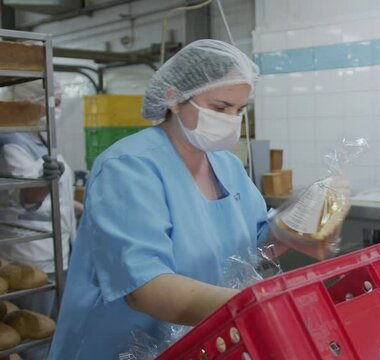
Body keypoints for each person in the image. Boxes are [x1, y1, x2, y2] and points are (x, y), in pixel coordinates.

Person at [47, 40, 284, 359]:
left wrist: (293, 230)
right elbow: (145, 290)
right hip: (119, 349)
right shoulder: (128, 167)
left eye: (239, 110)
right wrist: (250, 305)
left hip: (196, 344)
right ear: (174, 98)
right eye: (220, 107)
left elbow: (254, 246)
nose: (232, 119)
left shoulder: (226, 165)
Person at [0, 79, 80, 359]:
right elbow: (28, 198)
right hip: (30, 251)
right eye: (53, 104)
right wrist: (45, 180)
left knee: (56, 328)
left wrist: (82, 207)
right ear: (32, 102)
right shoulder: (13, 142)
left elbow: (57, 196)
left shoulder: (41, 137)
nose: (57, 110)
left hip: (60, 248)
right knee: (34, 332)